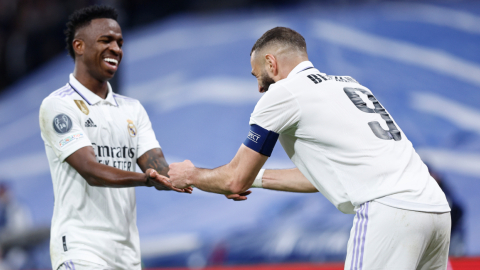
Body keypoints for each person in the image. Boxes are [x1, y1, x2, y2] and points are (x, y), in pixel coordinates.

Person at [168, 27, 452, 269]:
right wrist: (255, 179)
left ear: (271, 63)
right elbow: (319, 176)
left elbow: (234, 179)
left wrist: (190, 175)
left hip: (389, 211)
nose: (258, 88)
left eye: (257, 76)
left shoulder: (283, 92)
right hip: (436, 209)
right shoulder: (351, 85)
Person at [39, 6, 191, 270]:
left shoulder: (132, 109)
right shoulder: (58, 105)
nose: (116, 48)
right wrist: (146, 179)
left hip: (126, 255)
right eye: (106, 40)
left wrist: (219, 181)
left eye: (119, 42)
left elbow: (160, 170)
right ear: (79, 46)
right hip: (80, 248)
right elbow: (91, 171)